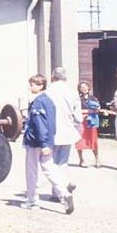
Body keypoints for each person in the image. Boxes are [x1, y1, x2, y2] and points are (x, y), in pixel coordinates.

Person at [22, 75, 74, 213]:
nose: (30, 86)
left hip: (36, 141)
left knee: (31, 170)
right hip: (47, 140)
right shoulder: (49, 101)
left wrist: (44, 143)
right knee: (50, 169)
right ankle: (64, 194)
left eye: (33, 84)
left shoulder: (38, 102)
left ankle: (32, 201)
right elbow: (51, 123)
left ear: (40, 85)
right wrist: (49, 141)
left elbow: (40, 124)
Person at [46, 67, 81, 200]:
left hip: (52, 131)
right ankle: (62, 188)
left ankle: (60, 190)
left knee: (50, 163)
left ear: (52, 77)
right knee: (62, 163)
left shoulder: (48, 91)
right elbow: (78, 115)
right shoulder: (72, 92)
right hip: (68, 130)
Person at [76, 81, 101, 168]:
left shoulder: (93, 98)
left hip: (92, 120)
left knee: (93, 140)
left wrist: (95, 110)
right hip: (81, 120)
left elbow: (98, 109)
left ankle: (97, 159)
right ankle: (81, 160)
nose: (84, 88)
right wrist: (88, 111)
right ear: (79, 89)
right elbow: (75, 110)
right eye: (82, 87)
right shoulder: (77, 99)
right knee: (79, 140)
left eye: (85, 86)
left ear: (88, 87)